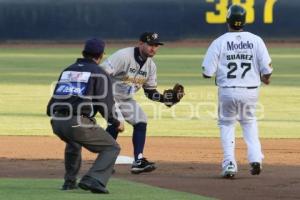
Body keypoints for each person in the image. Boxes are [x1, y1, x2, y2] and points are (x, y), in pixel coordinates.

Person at [202, 5, 273, 178]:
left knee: (227, 125)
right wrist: (264, 78)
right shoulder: (256, 40)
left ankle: (230, 165)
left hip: (227, 91)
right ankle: (256, 158)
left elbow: (206, 72)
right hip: (250, 91)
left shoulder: (219, 41)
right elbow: (267, 71)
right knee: (249, 123)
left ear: (227, 20)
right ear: (244, 21)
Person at [46, 38, 124, 193]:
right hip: (76, 121)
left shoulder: (69, 69)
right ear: (101, 55)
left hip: (57, 121)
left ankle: (69, 182)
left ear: (84, 52)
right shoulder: (99, 72)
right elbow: (105, 103)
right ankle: (93, 179)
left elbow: (55, 97)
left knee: (74, 142)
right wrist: (116, 122)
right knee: (112, 147)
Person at [100, 32, 184, 174]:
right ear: (140, 44)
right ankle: (104, 162)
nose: (153, 48)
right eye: (150, 44)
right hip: (108, 96)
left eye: (156, 45)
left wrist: (165, 98)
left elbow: (150, 92)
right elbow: (100, 73)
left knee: (141, 120)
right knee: (117, 122)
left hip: (126, 99)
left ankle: (138, 161)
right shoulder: (123, 56)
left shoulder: (151, 66)